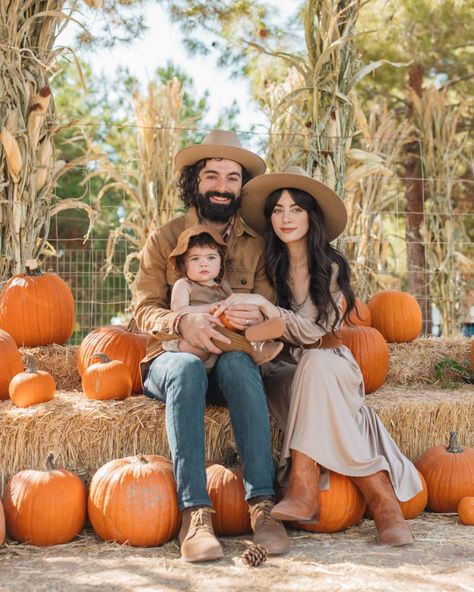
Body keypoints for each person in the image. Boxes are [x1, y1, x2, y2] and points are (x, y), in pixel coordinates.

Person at [215, 165, 423, 547]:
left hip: (329, 361)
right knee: (313, 380)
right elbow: (261, 329)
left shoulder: (331, 267)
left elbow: (315, 332)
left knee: (315, 364)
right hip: (283, 369)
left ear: (312, 216)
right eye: (277, 210)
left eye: (296, 209)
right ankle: (384, 503)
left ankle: (305, 485)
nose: (286, 218)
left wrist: (268, 309)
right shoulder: (268, 264)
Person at [134, 130, 289, 562]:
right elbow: (143, 308)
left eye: (233, 178)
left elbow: (270, 310)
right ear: (194, 182)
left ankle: (262, 506)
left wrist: (250, 316)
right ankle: (195, 513)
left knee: (240, 363)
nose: (222, 186)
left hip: (227, 360)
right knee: (183, 368)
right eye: (212, 175)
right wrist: (183, 320)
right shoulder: (163, 240)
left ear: (241, 187)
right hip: (172, 360)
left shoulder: (257, 247)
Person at [163, 224, 285, 369]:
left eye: (211, 258)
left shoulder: (225, 286)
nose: (204, 263)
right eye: (195, 259)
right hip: (193, 343)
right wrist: (209, 308)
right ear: (184, 265)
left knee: (237, 321)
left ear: (220, 264)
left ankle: (260, 335)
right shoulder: (184, 284)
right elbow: (178, 310)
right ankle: (253, 350)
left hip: (223, 342)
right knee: (213, 331)